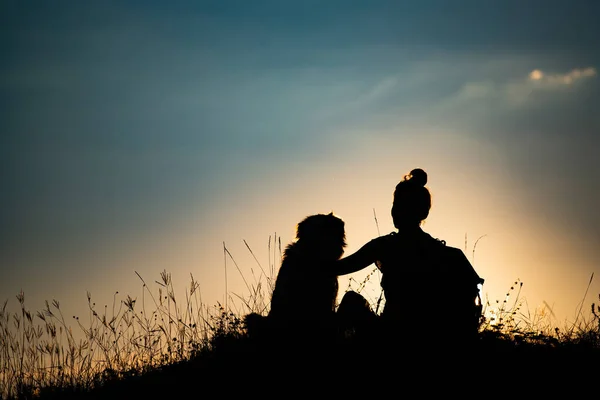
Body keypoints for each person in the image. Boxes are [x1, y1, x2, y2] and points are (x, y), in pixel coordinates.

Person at [333, 168, 484, 350]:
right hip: (434, 340)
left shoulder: (385, 246)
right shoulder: (451, 254)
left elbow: (338, 268)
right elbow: (473, 306)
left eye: (401, 205)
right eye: (396, 205)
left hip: (392, 337)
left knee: (350, 301)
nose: (396, 211)